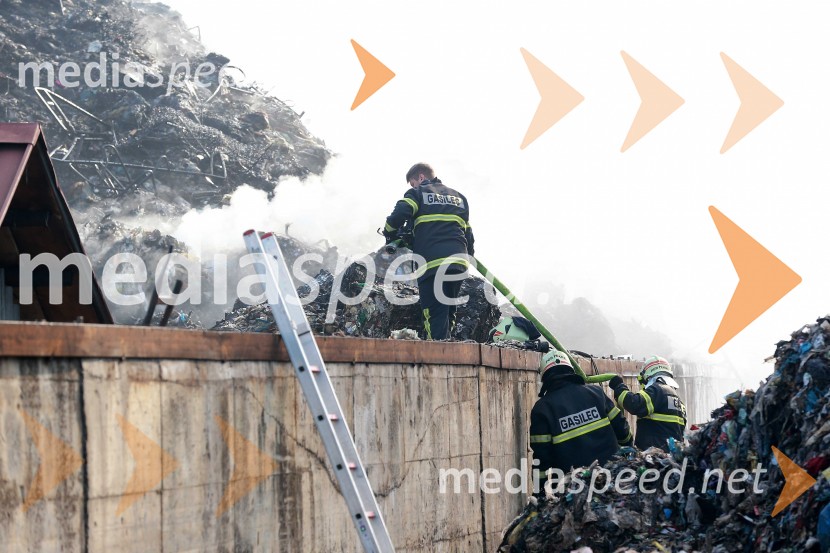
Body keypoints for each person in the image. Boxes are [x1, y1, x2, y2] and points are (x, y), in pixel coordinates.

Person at [383, 163, 474, 340]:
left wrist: (389, 232)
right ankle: (447, 349)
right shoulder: (459, 197)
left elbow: (400, 212)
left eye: (412, 183)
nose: (413, 187)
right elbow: (468, 235)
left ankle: (438, 356)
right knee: (448, 312)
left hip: (432, 264)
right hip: (459, 263)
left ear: (421, 178)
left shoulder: (418, 193)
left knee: (433, 314)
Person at [529, 350, 632, 473]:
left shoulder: (542, 409)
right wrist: (629, 453)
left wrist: (539, 490)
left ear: (545, 377)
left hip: (572, 486)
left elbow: (541, 458)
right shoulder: (596, 393)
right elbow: (622, 429)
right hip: (612, 476)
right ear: (571, 370)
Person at [609, 355, 687, 451]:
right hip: (671, 458)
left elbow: (635, 404)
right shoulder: (679, 401)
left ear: (648, 376)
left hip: (655, 456)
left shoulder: (658, 390)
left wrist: (619, 386)